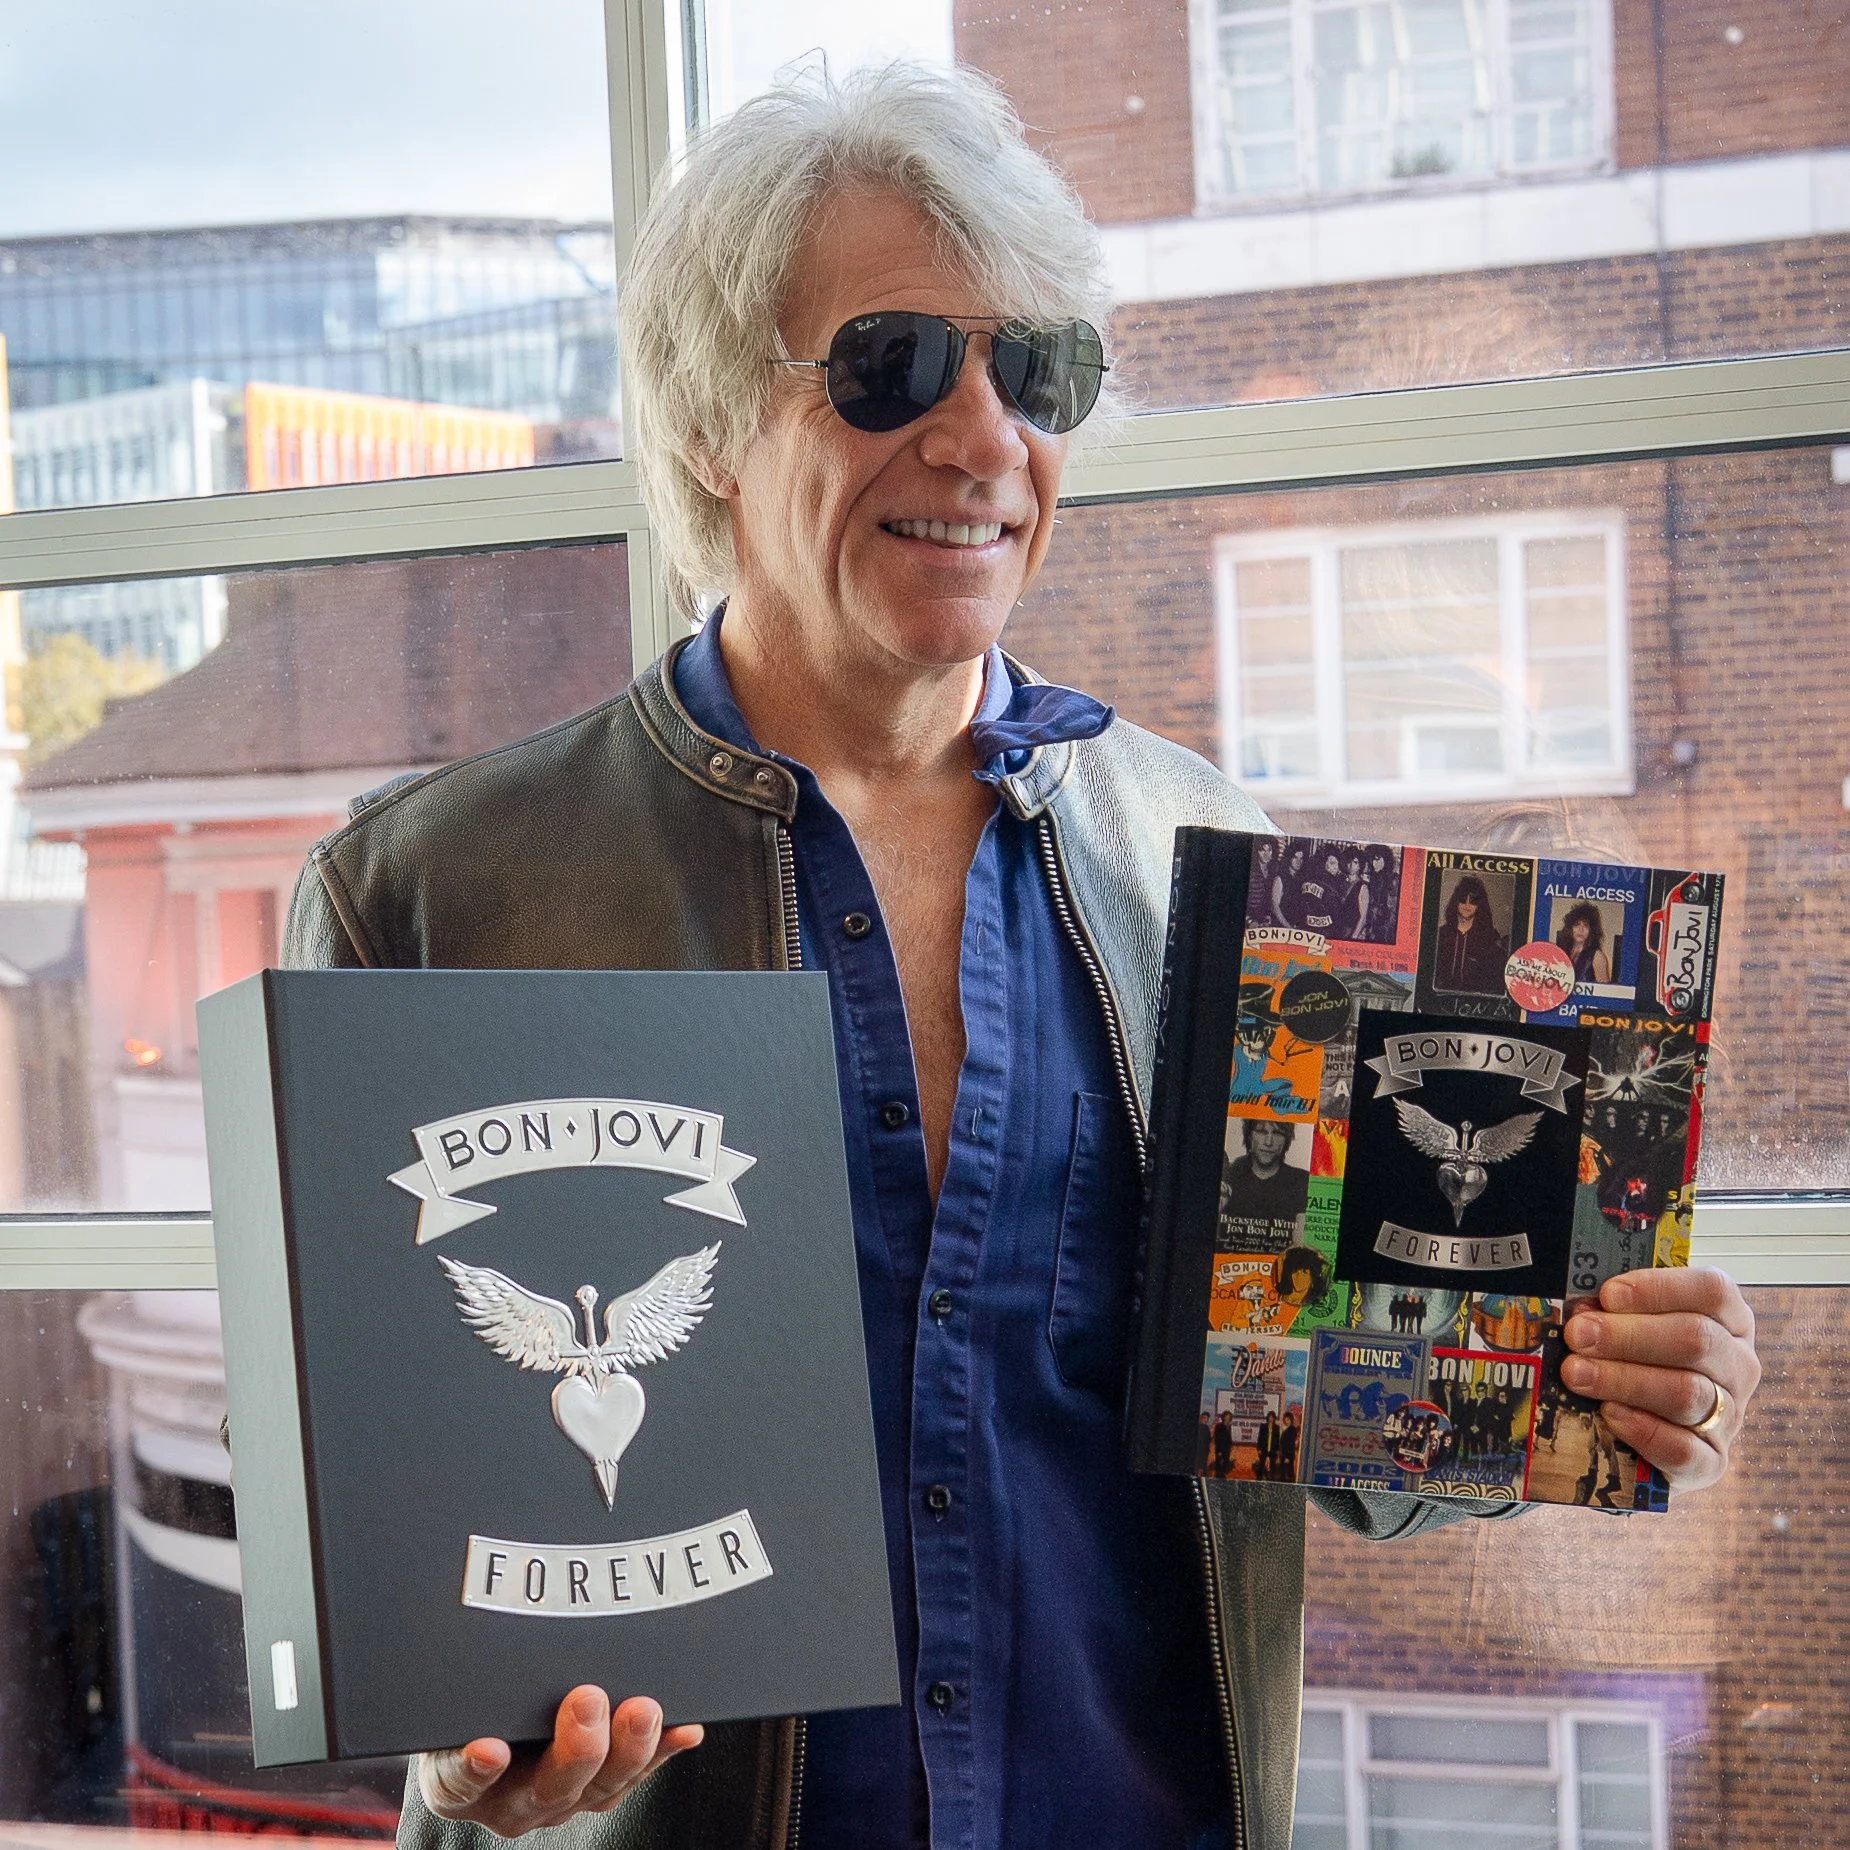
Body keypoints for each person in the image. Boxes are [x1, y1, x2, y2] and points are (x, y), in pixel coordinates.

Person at [282, 64, 1761, 1850]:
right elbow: (391, 1544)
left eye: (1038, 371)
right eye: (893, 363)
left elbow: (1364, 1450)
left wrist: (1598, 1380)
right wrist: (459, 1752)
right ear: (708, 421)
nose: (984, 438)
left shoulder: (1228, 873)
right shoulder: (425, 895)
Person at [1220, 1118, 1311, 1249]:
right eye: (1261, 1132)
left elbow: (1302, 1246)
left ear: (1286, 1140)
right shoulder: (1230, 1176)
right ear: (1249, 1136)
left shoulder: (1302, 1181)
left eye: (1277, 1133)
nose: (1268, 1142)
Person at [1432, 872, 1509, 995]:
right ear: (1456, 901)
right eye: (1463, 899)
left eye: (1473, 901)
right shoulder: (1442, 934)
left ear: (1479, 904)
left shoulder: (1490, 936)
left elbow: (1496, 980)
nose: (1467, 905)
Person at [1556, 900, 1612, 984]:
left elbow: (1604, 990)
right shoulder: (1561, 951)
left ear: (1591, 931)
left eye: (1585, 926)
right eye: (1577, 925)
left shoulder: (1597, 956)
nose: (1580, 929)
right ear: (1570, 928)